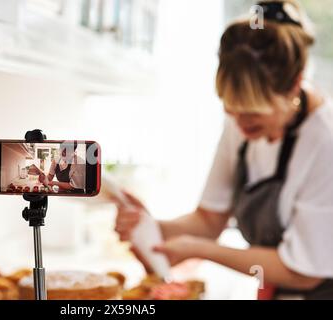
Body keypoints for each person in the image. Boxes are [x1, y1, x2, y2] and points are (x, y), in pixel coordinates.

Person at [114, 0, 333, 299]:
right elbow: (209, 220)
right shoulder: (241, 122)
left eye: (254, 112)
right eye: (232, 109)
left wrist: (200, 250)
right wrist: (152, 228)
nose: (241, 124)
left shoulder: (325, 142)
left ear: (295, 85)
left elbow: (304, 272)